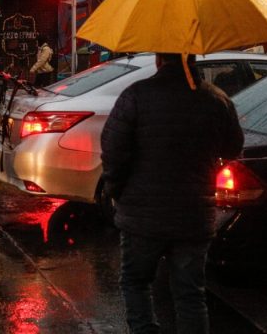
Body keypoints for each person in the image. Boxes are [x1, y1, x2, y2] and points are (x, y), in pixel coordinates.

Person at [100, 53, 243, 334]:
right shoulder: (216, 100)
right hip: (194, 215)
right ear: (193, 58)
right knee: (190, 294)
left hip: (142, 216)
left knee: (136, 282)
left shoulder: (136, 96)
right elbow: (233, 148)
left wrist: (116, 190)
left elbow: (113, 152)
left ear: (159, 60)